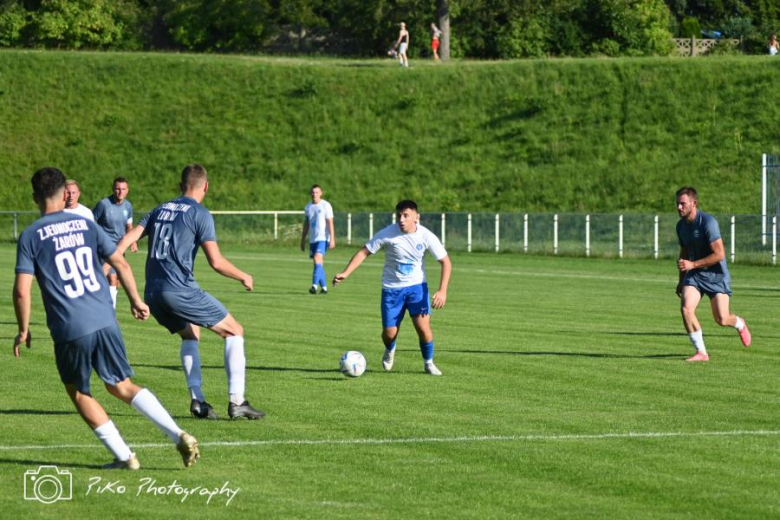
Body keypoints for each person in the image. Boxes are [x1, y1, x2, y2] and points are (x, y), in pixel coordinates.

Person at [13, 167, 199, 470]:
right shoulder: (86, 225)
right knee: (121, 385)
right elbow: (121, 265)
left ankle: (125, 457)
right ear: (64, 193)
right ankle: (177, 433)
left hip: (71, 326)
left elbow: (22, 291)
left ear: (35, 197)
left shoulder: (31, 235)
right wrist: (136, 300)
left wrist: (23, 329)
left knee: (79, 392)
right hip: (105, 318)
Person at [117, 164, 264, 420]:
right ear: (205, 186)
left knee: (190, 334)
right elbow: (216, 262)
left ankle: (198, 401)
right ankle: (238, 401)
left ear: (180, 185)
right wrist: (243, 275)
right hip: (179, 289)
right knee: (234, 331)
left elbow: (129, 240)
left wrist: (113, 262)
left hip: (152, 292)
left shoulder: (159, 209)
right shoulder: (200, 213)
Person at [333, 200, 451, 375]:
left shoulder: (426, 236)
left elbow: (446, 262)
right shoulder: (388, 233)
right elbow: (364, 252)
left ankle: (429, 362)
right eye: (399, 216)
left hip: (417, 288)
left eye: (406, 215)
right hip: (391, 290)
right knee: (389, 333)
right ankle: (390, 349)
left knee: (423, 328)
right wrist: (346, 272)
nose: (401, 220)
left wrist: (442, 290)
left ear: (416, 217)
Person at [675, 186, 751, 362]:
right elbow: (684, 254)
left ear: (694, 203)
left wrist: (692, 264)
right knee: (686, 308)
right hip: (695, 275)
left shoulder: (708, 222)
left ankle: (739, 323)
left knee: (722, 319)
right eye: (677, 204)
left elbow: (719, 254)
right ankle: (701, 352)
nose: (679, 207)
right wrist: (681, 280)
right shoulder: (681, 227)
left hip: (716, 276)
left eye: (683, 204)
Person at [93, 177, 137, 310]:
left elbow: (129, 226)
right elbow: (91, 222)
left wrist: (133, 241)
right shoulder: (103, 204)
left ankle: (102, 307)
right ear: (113, 189)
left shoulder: (128, 206)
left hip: (120, 248)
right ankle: (109, 312)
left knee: (115, 281)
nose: (120, 192)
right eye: (117, 188)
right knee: (112, 278)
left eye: (123, 189)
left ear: (127, 190)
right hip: (105, 247)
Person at [300, 184, 335, 294]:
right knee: (318, 263)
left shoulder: (326, 205)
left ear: (321, 193)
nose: (314, 194)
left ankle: (314, 286)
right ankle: (324, 288)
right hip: (313, 239)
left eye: (316, 192)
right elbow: (306, 224)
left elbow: (330, 223)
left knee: (317, 259)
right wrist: (302, 239)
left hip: (323, 238)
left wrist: (332, 239)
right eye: (312, 192)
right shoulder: (308, 207)